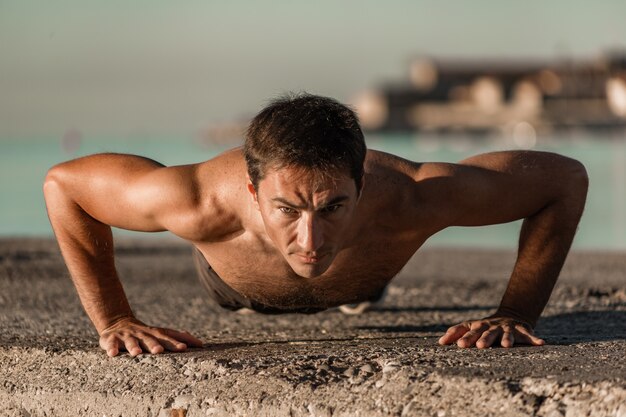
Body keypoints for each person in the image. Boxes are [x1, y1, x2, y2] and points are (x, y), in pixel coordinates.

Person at [43, 93, 588, 357]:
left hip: (366, 266)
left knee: (357, 265)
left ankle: (360, 286)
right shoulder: (195, 201)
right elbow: (64, 186)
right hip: (234, 284)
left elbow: (563, 180)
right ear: (254, 194)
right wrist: (113, 318)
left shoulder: (416, 197)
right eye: (287, 210)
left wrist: (515, 311)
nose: (310, 240)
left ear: (363, 189)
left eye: (332, 208)